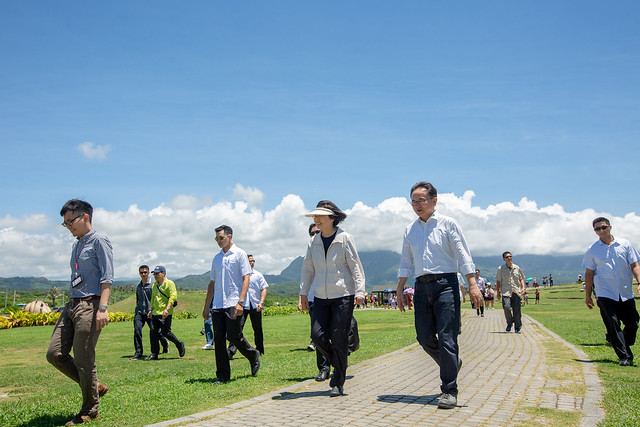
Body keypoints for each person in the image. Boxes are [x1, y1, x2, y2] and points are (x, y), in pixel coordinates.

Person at [396, 182, 483, 410]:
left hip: (446, 284)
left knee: (447, 337)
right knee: (424, 338)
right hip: (421, 287)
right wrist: (399, 288)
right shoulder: (410, 229)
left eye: (421, 200)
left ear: (434, 201)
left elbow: (463, 254)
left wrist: (472, 284)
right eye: (413, 201)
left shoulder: (448, 224)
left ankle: (449, 390)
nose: (417, 205)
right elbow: (406, 261)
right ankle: (452, 363)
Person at [46, 199, 113, 426]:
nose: (69, 227)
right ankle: (95, 387)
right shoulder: (77, 244)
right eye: (65, 224)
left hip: (91, 305)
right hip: (72, 304)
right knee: (54, 354)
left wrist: (102, 308)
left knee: (84, 360)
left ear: (85, 217)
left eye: (70, 221)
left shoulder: (99, 241)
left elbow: (107, 278)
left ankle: (90, 409)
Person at [299, 201, 366, 397]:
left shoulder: (345, 238)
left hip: (343, 296)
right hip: (320, 296)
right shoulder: (313, 241)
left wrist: (360, 291)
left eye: (319, 216)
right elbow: (308, 268)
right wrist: (303, 293)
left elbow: (355, 266)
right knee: (317, 335)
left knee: (339, 338)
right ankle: (339, 363)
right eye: (314, 216)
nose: (316, 219)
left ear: (332, 218)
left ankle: (338, 381)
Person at [202, 225, 261, 383]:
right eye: (216, 239)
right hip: (218, 305)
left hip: (233, 302)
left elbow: (246, 278)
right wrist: (207, 306)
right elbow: (212, 283)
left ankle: (252, 354)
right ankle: (223, 375)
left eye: (221, 238)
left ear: (230, 236)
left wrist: (241, 302)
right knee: (219, 340)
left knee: (234, 336)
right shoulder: (216, 258)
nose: (218, 241)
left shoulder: (240, 254)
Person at [583, 217, 640, 366]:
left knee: (633, 323)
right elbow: (589, 274)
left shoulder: (625, 244)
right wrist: (588, 295)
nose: (601, 231)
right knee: (612, 324)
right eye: (597, 229)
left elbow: (634, 265)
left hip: (625, 291)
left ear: (610, 227)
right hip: (604, 292)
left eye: (603, 227)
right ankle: (625, 357)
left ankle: (616, 340)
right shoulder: (592, 250)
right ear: (594, 231)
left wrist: (639, 281)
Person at [227, 254, 269, 358]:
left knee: (258, 329)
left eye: (253, 261)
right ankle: (231, 351)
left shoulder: (258, 275)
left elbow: (263, 288)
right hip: (243, 305)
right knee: (237, 328)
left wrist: (261, 302)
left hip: (255, 305)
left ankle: (259, 350)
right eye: (250, 261)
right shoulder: (239, 275)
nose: (252, 263)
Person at [145, 266, 185, 360]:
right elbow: (153, 298)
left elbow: (173, 297)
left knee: (166, 332)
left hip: (165, 312)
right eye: (154, 274)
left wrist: (167, 309)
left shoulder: (169, 283)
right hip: (156, 312)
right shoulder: (154, 285)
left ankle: (179, 344)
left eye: (157, 273)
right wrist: (151, 310)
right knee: (153, 332)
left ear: (163, 273)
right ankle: (154, 353)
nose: (155, 275)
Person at [131, 265, 168, 360]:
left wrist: (153, 310)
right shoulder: (138, 286)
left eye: (145, 272)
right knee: (137, 331)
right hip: (139, 312)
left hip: (151, 312)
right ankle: (138, 353)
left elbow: (156, 299)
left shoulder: (153, 285)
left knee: (154, 331)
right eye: (141, 272)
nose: (143, 274)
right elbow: (138, 298)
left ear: (148, 273)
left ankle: (164, 343)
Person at [495, 252, 526, 333]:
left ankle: (517, 327)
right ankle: (509, 323)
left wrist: (523, 288)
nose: (509, 258)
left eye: (510, 256)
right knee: (507, 308)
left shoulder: (517, 268)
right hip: (506, 292)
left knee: (517, 310)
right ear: (504, 259)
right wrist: (498, 292)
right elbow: (498, 281)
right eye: (507, 257)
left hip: (516, 291)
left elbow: (521, 278)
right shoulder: (500, 269)